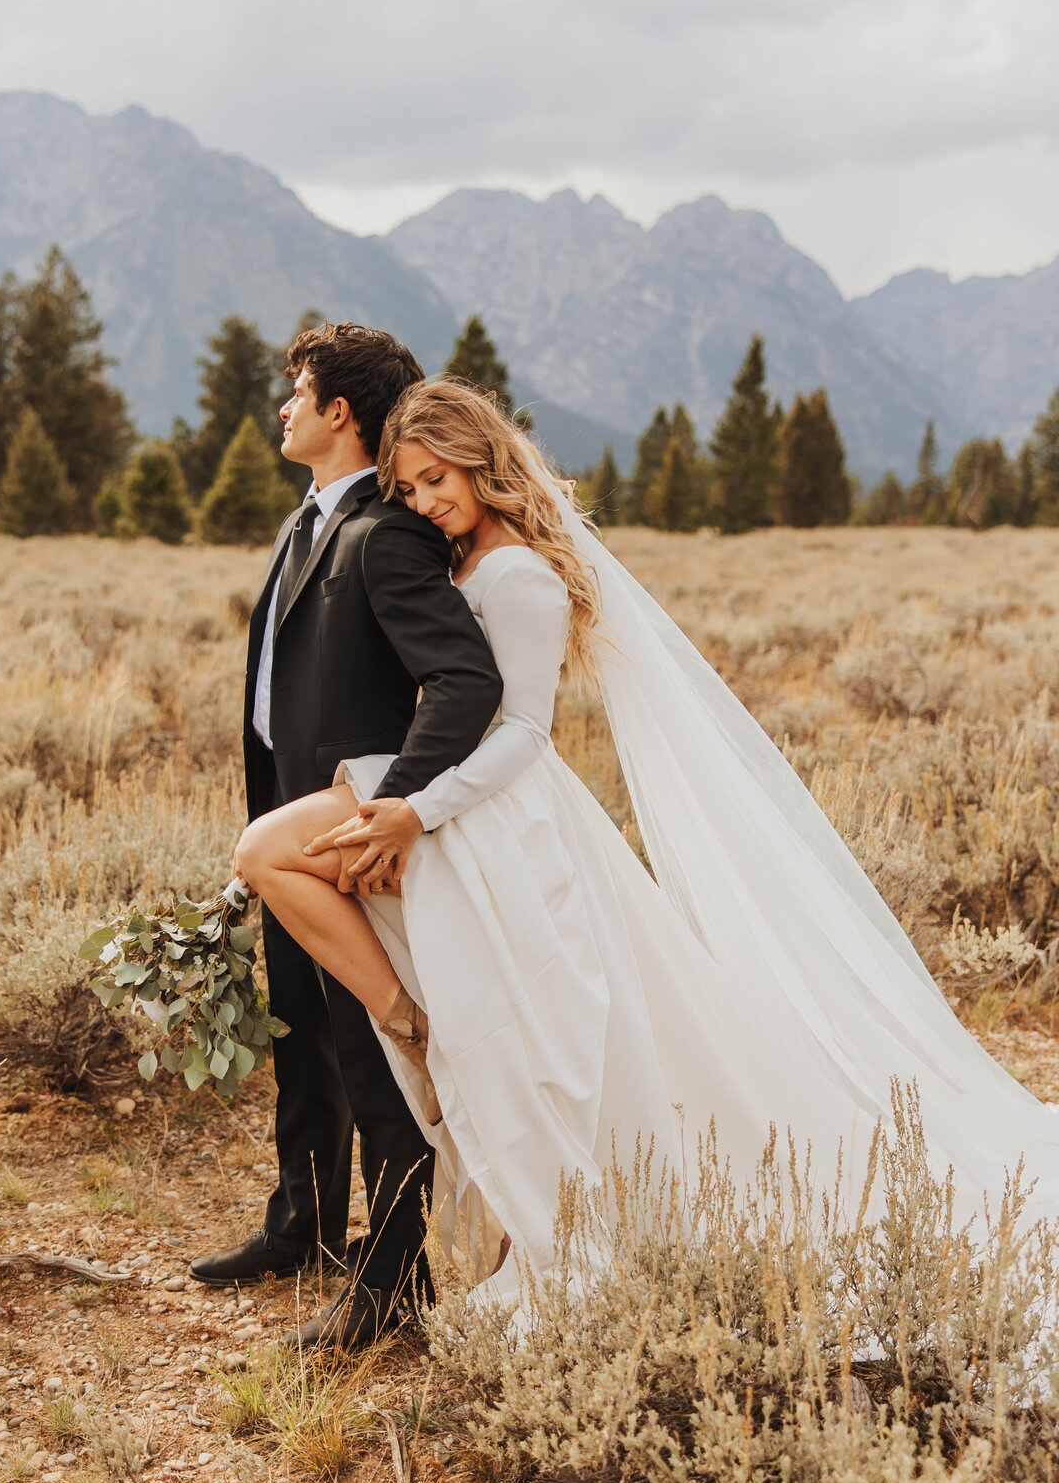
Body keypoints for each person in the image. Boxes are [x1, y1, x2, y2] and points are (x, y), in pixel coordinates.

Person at [237, 379, 1059, 1316]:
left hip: (499, 810)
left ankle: (424, 1048)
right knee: (477, 996)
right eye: (412, 488)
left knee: (532, 1021)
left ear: (481, 460)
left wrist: (415, 810)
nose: (425, 502)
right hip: (456, 800)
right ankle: (413, 1030)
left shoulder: (518, 572)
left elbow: (524, 732)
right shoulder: (469, 555)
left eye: (436, 480)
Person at [189, 329, 503, 1351]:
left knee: (376, 1054)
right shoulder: (305, 522)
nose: (282, 409)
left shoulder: (389, 529)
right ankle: (304, 1221)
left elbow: (462, 681)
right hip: (290, 819)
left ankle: (396, 1274)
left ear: (341, 415)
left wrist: (395, 808)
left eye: (299, 393)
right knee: (299, 1032)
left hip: (358, 834)